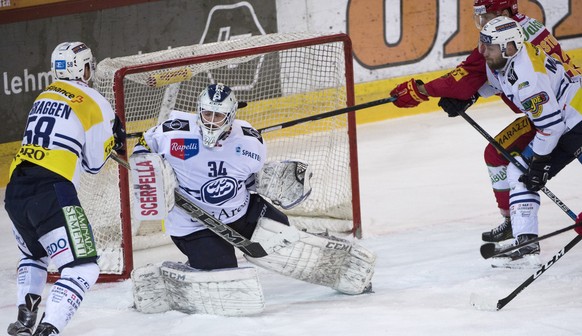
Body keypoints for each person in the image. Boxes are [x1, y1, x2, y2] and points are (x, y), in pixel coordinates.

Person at [129, 83, 376, 316]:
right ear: (198, 111)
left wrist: (270, 180)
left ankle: (329, 254)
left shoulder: (250, 142)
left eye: (219, 116)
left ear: (231, 116)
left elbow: (249, 179)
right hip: (193, 224)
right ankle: (172, 279)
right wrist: (145, 163)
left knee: (286, 238)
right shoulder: (172, 134)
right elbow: (143, 144)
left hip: (242, 212)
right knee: (223, 275)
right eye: (207, 114)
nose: (211, 121)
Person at [389, 0, 582, 245]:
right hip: (551, 110)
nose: (482, 24)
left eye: (485, 15)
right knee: (500, 156)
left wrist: (422, 90)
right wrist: (472, 96)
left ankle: (518, 225)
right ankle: (519, 227)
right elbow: (495, 78)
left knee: (511, 159)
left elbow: (466, 76)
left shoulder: (510, 44)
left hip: (564, 114)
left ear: (502, 13)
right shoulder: (521, 28)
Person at [4, 41, 125, 336]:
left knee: (34, 254)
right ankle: (45, 335)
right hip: (51, 191)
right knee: (83, 266)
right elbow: (94, 165)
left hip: (15, 190)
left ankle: (24, 321)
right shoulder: (95, 102)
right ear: (85, 68)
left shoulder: (44, 95)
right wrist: (114, 136)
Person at [475, 16, 582, 268]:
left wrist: (541, 162)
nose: (483, 52)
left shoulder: (528, 78)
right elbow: (498, 83)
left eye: (489, 48)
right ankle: (526, 244)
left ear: (509, 47)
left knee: (529, 170)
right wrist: (469, 98)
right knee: (519, 171)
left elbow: (550, 126)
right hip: (564, 123)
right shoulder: (507, 59)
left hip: (578, 120)